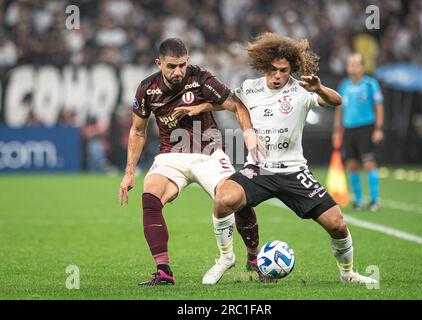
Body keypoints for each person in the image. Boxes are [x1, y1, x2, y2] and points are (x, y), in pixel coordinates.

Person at [176, 33, 377, 284]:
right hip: (259, 170)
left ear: (292, 68)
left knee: (337, 224)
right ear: (264, 66)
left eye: (283, 70)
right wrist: (200, 107)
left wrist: (319, 88)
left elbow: (337, 101)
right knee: (223, 198)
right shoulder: (251, 87)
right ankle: (226, 258)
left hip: (294, 171)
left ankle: (348, 274)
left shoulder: (303, 89)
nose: (277, 75)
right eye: (272, 69)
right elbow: (228, 103)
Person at [118, 38, 267, 286]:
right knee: (150, 196)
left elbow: (236, 105)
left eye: (182, 65)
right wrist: (129, 172)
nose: (178, 71)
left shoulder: (202, 79)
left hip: (208, 153)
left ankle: (253, 259)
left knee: (235, 199)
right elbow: (138, 131)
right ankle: (164, 272)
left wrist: (247, 131)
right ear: (159, 63)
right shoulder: (147, 88)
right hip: (170, 156)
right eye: (171, 66)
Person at [333, 53, 384, 212]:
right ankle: (359, 201)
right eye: (350, 65)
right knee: (351, 165)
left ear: (362, 67)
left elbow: (379, 106)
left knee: (369, 163)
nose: (352, 68)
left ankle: (375, 200)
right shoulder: (344, 85)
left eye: (355, 65)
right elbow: (339, 109)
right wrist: (337, 131)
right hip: (349, 129)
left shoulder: (370, 84)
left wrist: (378, 128)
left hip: (366, 128)